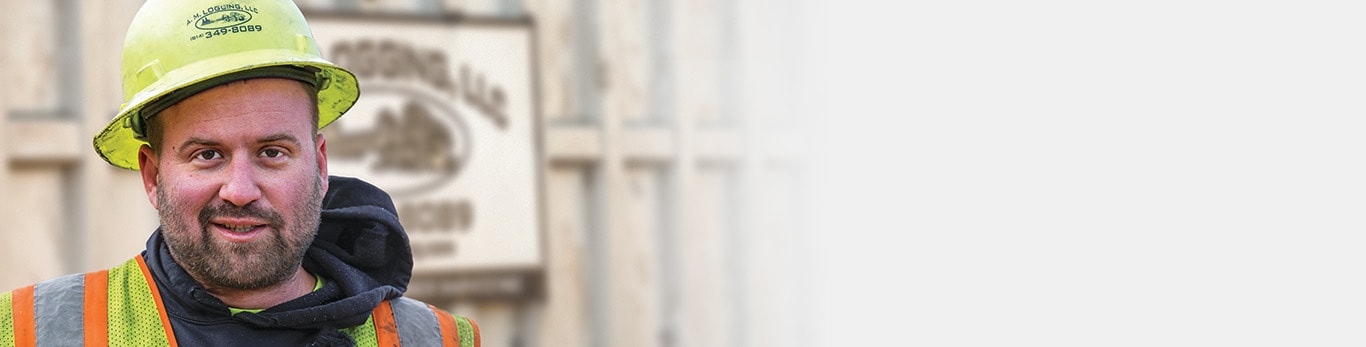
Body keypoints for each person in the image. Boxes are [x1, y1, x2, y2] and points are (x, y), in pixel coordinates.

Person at [0, 0, 480, 346]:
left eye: (272, 152)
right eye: (207, 155)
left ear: (319, 164)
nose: (241, 191)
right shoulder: (30, 331)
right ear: (152, 173)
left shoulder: (435, 340)